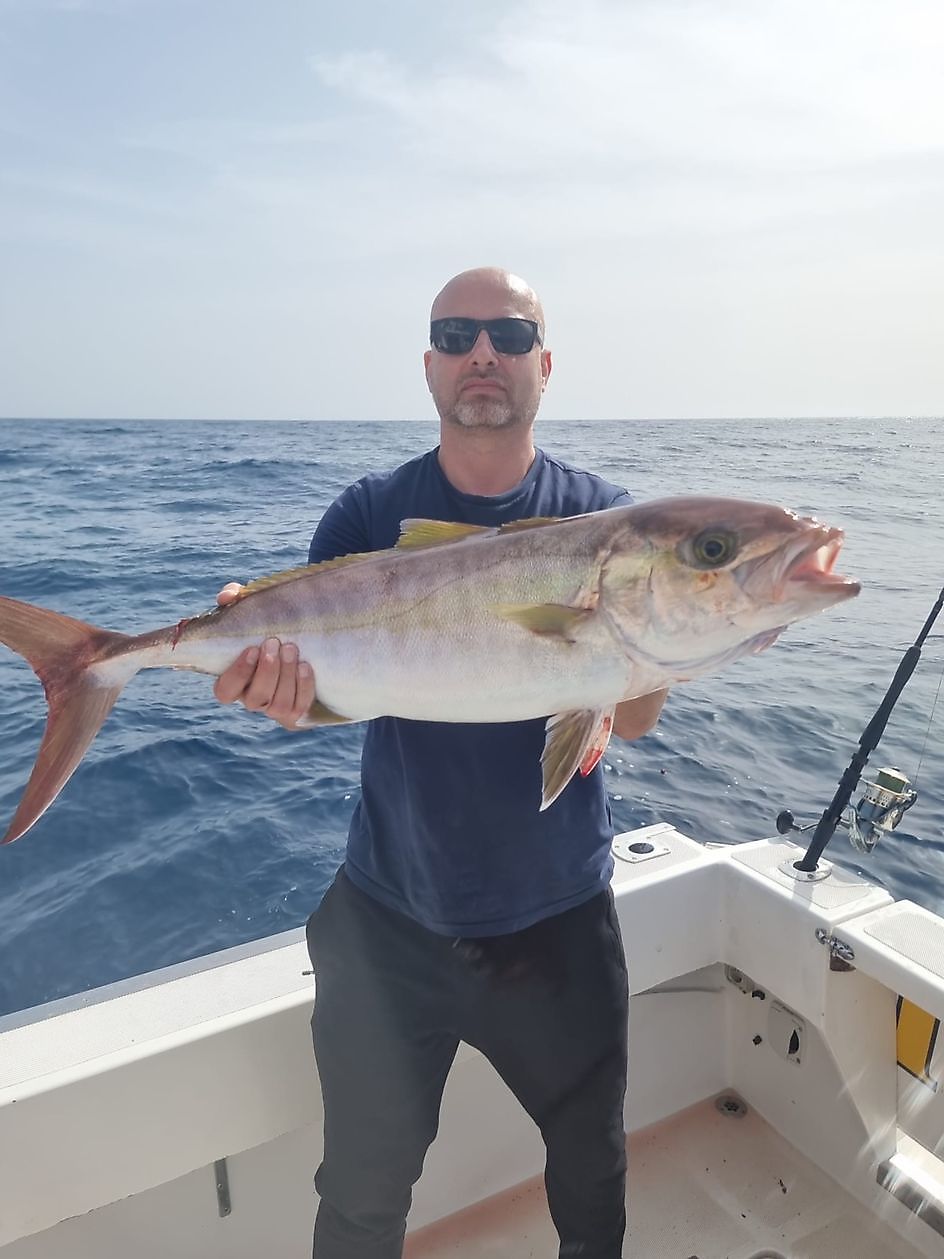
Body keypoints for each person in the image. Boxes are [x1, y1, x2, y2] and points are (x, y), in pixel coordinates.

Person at [214, 267, 667, 1259]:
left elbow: (630, 719)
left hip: (556, 923)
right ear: (429, 363)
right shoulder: (367, 514)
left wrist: (648, 644)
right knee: (360, 1196)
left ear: (544, 363)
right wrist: (270, 683)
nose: (482, 354)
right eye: (457, 334)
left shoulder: (603, 522)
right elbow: (319, 696)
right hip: (388, 926)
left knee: (592, 1178)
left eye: (509, 335)